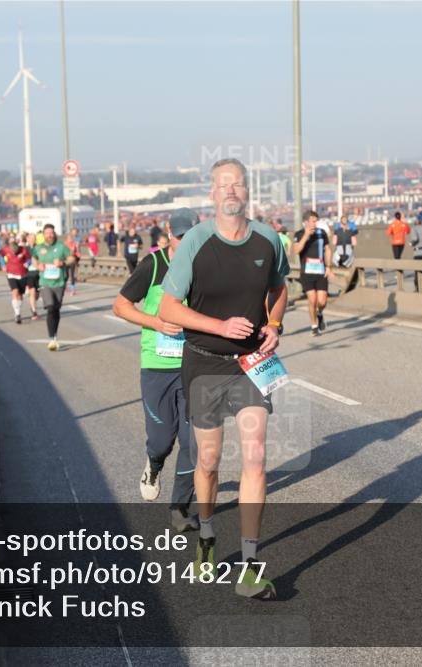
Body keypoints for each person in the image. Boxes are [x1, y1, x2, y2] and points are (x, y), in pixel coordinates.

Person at [159, 158, 287, 600]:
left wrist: (274, 323)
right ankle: (208, 535)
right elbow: (168, 308)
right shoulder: (195, 241)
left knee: (255, 457)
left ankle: (250, 566)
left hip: (250, 363)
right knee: (209, 461)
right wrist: (220, 326)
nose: (231, 190)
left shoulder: (269, 239)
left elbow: (279, 287)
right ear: (212, 193)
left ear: (247, 191)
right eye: (223, 184)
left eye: (238, 183)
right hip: (204, 361)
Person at [112, 208, 200, 532]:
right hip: (157, 366)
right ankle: (154, 463)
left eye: (191, 236)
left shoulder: (204, 266)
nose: (185, 242)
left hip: (194, 366)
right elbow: (120, 306)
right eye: (180, 236)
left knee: (194, 443)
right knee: (162, 440)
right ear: (168, 233)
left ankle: (180, 508)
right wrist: (156, 322)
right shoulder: (153, 264)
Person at [33, 223, 75, 351]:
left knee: (56, 309)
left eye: (51, 233)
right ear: (43, 235)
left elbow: (72, 259)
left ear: (54, 233)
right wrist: (38, 265)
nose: (49, 235)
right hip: (45, 283)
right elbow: (34, 258)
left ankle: (54, 335)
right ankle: (51, 339)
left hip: (59, 282)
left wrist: (63, 262)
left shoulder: (61, 247)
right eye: (47, 233)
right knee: (50, 308)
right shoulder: (39, 248)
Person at [294, 210, 333, 335]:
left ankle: (319, 313)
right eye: (313, 221)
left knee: (322, 302)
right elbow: (296, 250)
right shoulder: (299, 234)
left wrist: (329, 267)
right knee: (312, 300)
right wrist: (306, 236)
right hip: (307, 273)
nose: (315, 224)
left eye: (316, 221)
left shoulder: (322, 233)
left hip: (321, 272)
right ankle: (314, 326)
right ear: (306, 222)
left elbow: (327, 250)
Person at [2, 240, 32, 324]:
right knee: (15, 291)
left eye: (15, 251)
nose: (14, 253)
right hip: (11, 274)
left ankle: (18, 311)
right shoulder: (5, 249)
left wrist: (27, 263)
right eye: (12, 251)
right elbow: (0, 256)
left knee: (20, 295)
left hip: (22, 274)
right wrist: (3, 264)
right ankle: (17, 314)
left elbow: (29, 258)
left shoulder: (24, 249)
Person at [23, 232, 42, 321]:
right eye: (30, 238)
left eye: (34, 238)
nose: (32, 240)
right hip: (29, 273)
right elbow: (21, 259)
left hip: (38, 272)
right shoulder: (25, 249)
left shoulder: (39, 248)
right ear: (27, 239)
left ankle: (32, 305)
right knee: (32, 292)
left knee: (37, 295)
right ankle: (34, 312)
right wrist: (25, 264)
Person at [66, 228, 82, 296]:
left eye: (71, 239)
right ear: (67, 239)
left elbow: (76, 252)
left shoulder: (73, 244)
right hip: (66, 261)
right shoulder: (64, 245)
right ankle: (65, 286)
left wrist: (78, 254)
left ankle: (72, 290)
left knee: (72, 275)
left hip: (72, 261)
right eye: (69, 238)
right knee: (66, 275)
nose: (70, 240)